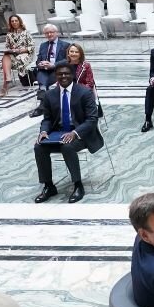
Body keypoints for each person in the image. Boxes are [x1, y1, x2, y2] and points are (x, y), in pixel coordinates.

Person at [33, 62, 104, 204]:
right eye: (60, 74)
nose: (63, 76)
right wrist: (44, 131)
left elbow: (92, 119)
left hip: (81, 134)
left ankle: (78, 185)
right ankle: (48, 186)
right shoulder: (50, 95)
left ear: (72, 75)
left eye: (66, 73)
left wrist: (75, 133)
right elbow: (47, 119)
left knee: (67, 146)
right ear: (55, 76)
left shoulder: (85, 93)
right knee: (39, 146)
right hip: (58, 133)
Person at [28, 24, 69, 117]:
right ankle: (45, 106)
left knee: (43, 85)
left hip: (58, 70)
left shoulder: (65, 45)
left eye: (51, 32)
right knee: (42, 83)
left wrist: (53, 65)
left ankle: (42, 107)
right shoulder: (43, 45)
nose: (49, 34)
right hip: (44, 70)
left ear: (56, 33)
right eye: (47, 33)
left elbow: (67, 60)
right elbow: (38, 59)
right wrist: (40, 64)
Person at [1, 14, 34, 95]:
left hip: (25, 54)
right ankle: (8, 79)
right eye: (12, 21)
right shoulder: (9, 34)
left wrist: (20, 50)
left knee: (8, 61)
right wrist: (9, 50)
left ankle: (5, 85)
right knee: (5, 57)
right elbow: (7, 46)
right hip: (13, 54)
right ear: (10, 23)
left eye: (16, 20)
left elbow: (32, 47)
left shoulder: (26, 33)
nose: (14, 22)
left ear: (19, 22)